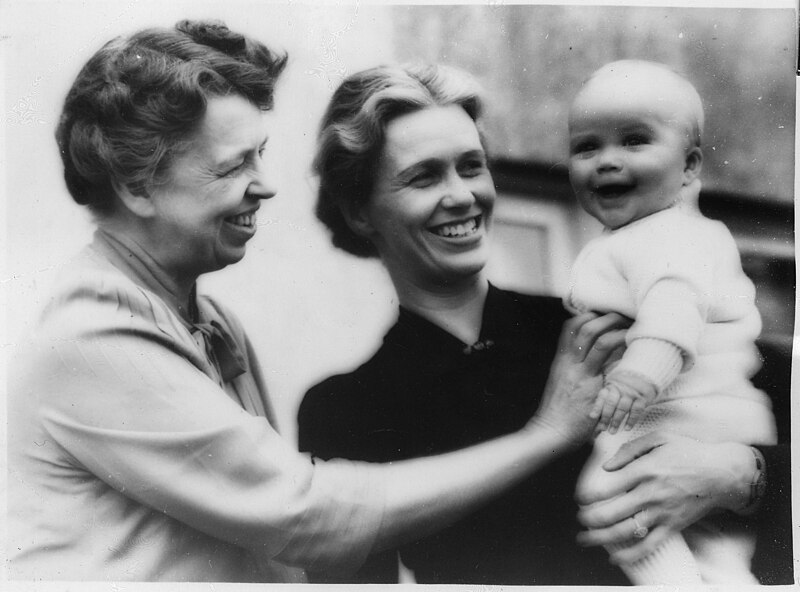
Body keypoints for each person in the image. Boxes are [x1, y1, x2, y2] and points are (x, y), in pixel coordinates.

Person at [6, 19, 629, 583]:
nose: (266, 186)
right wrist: (549, 433)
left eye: (262, 155)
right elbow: (307, 519)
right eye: (232, 167)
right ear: (138, 185)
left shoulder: (206, 321)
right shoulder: (94, 334)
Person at [297, 62, 792, 585]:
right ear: (359, 211)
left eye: (471, 166)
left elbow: (772, 409)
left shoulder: (595, 324)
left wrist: (740, 477)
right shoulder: (349, 406)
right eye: (423, 176)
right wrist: (549, 433)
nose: (462, 195)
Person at [565, 59, 777, 585]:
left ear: (688, 167)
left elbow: (673, 308)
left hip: (678, 414)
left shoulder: (668, 237)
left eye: (634, 141)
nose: (606, 161)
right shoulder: (646, 237)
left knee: (607, 495)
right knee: (720, 551)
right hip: (723, 421)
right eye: (586, 147)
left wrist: (639, 373)